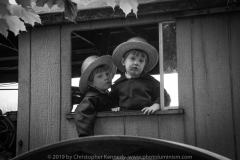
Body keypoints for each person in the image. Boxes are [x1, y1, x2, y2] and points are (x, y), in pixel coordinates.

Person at [110, 37, 171, 115]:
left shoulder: (151, 82)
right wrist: (114, 106)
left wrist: (156, 105)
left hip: (147, 119)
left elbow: (165, 97)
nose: (136, 63)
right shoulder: (117, 84)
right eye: (132, 58)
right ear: (123, 61)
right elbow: (111, 99)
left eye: (141, 60)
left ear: (144, 64)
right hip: (124, 121)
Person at [74, 55, 117, 137]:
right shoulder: (92, 98)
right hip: (99, 136)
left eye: (107, 74)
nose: (106, 78)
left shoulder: (109, 95)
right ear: (91, 83)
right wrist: (86, 137)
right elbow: (81, 115)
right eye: (100, 76)